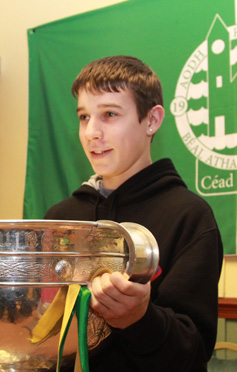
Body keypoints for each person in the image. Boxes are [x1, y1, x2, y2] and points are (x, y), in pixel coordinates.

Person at [44, 55, 223, 372]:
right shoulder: (60, 218)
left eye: (109, 114)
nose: (91, 133)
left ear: (152, 120)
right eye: (84, 117)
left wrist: (141, 318)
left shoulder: (189, 216)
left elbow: (193, 353)